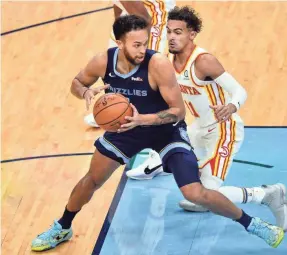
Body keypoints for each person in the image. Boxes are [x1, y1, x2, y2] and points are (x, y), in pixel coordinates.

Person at [31, 15, 284, 252]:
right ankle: (62, 226)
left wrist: (143, 119)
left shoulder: (158, 65)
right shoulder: (102, 61)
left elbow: (178, 112)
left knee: (194, 193)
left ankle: (254, 225)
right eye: (136, 44)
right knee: (92, 180)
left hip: (166, 132)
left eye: (145, 43)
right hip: (125, 131)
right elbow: (77, 82)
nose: (143, 50)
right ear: (119, 43)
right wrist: (85, 93)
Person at [125, 6, 287, 232]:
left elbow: (240, 90)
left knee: (206, 195)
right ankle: (158, 164)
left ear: (192, 34)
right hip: (197, 129)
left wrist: (231, 105)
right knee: (193, 186)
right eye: (169, 31)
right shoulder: (167, 62)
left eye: (178, 32)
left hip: (223, 131)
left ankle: (268, 194)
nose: (171, 37)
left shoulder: (203, 61)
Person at [84, 0, 176, 127]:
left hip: (154, 16)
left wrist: (140, 45)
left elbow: (145, 19)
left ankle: (154, 115)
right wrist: (118, 24)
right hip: (132, 11)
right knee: (115, 60)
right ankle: (114, 110)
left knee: (149, 67)